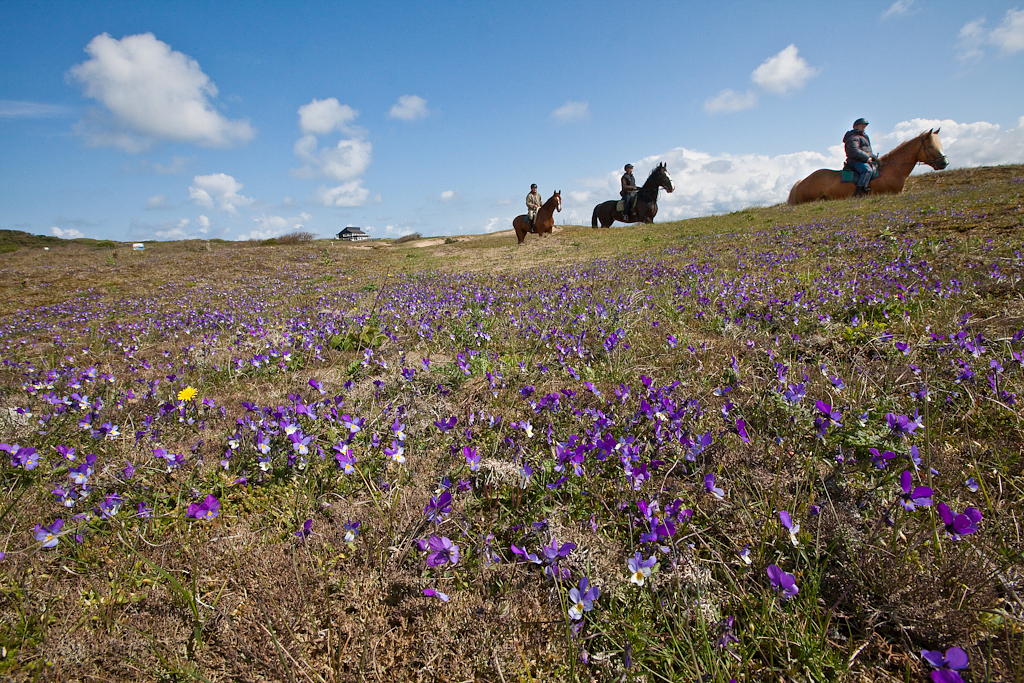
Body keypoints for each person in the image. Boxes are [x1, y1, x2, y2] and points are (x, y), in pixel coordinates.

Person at [844, 118, 878, 197]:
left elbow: (868, 151)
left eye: (865, 125)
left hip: (863, 159)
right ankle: (860, 190)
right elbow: (854, 150)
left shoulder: (864, 137)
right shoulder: (853, 137)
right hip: (855, 161)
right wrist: (867, 158)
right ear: (856, 126)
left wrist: (875, 158)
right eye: (862, 125)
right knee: (867, 170)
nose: (864, 127)